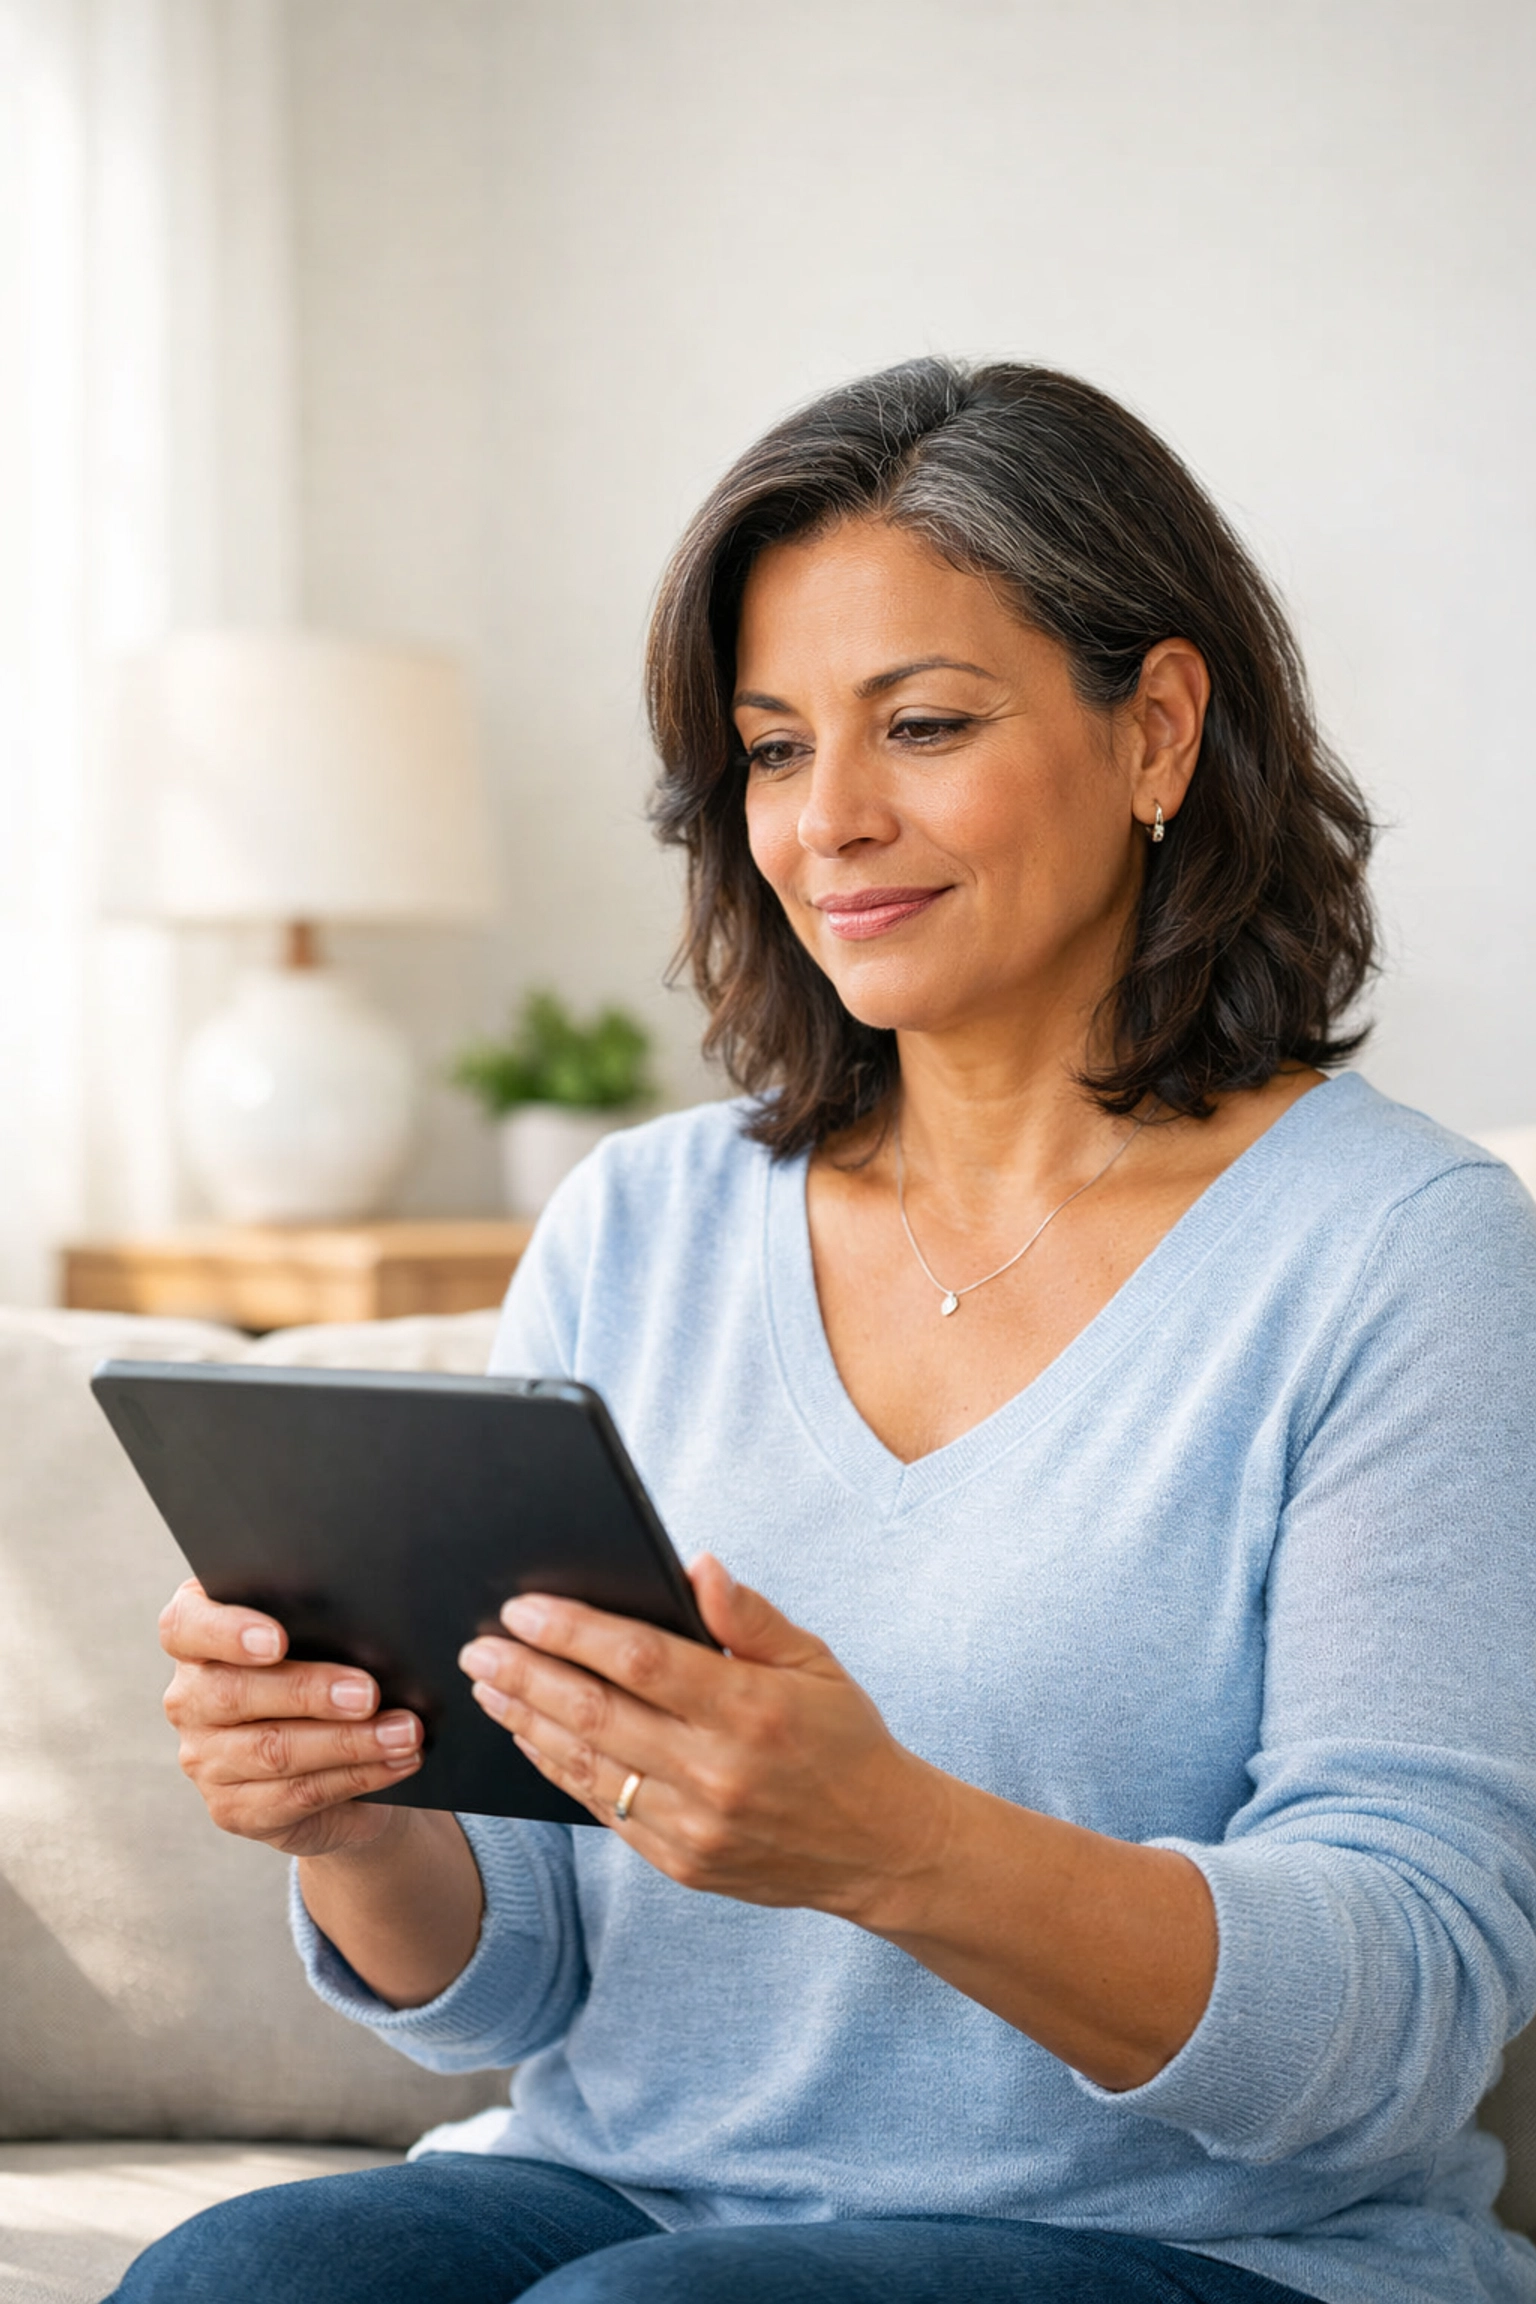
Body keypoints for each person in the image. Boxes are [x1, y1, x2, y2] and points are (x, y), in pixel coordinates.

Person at [116, 360, 1536, 2304]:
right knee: (243, 2285)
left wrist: (900, 1849)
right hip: (640, 2194)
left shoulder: (1403, 1257)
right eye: (776, 751)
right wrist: (356, 1818)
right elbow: (510, 1974)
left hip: (1208, 2252)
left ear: (1160, 732)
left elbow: (1409, 2015)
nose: (832, 823)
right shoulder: (643, 1224)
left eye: (925, 725)